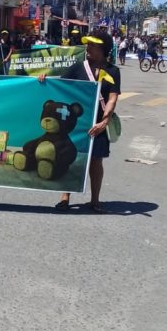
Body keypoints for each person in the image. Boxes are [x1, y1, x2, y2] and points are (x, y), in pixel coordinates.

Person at [38, 30, 120, 213]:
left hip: (96, 124)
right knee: (67, 158)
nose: (87, 47)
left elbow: (113, 98)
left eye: (92, 45)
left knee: (96, 162)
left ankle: (95, 200)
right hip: (74, 124)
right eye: (87, 44)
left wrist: (104, 122)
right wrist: (44, 79)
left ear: (103, 49)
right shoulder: (77, 68)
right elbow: (60, 85)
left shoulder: (113, 71)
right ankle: (65, 197)